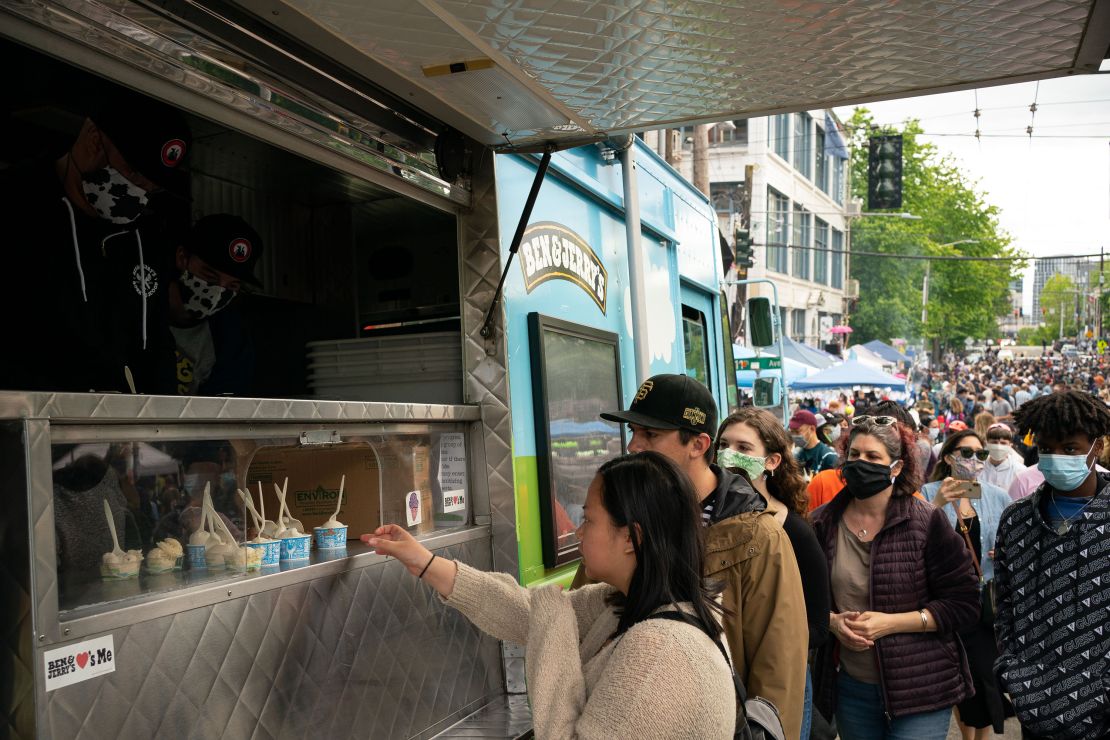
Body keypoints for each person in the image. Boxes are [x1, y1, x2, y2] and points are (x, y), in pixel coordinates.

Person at [364, 452, 737, 738]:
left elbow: (550, 618)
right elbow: (525, 610)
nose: (578, 532)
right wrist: (424, 562)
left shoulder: (661, 650)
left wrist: (554, 620)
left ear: (630, 537)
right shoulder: (624, 605)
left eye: (588, 519)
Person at [586, 373, 807, 740]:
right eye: (633, 433)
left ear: (699, 444)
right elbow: (589, 613)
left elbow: (778, 666)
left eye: (650, 435)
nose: (634, 446)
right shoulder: (621, 513)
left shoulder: (757, 535)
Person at [0, 90, 191, 393]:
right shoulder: (15, 205)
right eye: (133, 173)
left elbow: (156, 342)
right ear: (92, 138)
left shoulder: (146, 237)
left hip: (127, 433)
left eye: (151, 187)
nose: (140, 192)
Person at [811, 415, 979, 740]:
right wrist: (831, 621)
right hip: (850, 688)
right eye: (854, 455)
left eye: (873, 457)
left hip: (922, 688)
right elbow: (801, 599)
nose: (861, 464)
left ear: (896, 468)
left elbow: (964, 603)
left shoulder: (925, 522)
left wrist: (891, 623)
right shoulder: (821, 524)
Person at [995, 391, 1110, 739]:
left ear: (1098, 448)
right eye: (1047, 448)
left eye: (1071, 449)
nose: (1056, 457)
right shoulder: (1016, 520)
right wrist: (1013, 675)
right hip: (1036, 709)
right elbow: (1005, 606)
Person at [716, 408, 830, 739]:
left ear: (772, 462)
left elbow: (819, 626)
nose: (729, 455)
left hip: (777, 687)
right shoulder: (705, 520)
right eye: (723, 444)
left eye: (743, 447)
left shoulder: (793, 531)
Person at [921, 430, 1014, 739]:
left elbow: (1014, 543)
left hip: (985, 605)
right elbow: (914, 542)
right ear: (948, 457)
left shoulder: (997, 496)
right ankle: (967, 736)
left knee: (985, 680)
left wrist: (1003, 551)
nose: (975, 460)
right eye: (966, 453)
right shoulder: (926, 493)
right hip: (945, 604)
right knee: (958, 682)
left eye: (980, 454)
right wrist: (936, 504)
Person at [168, 214, 263, 395]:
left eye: (232, 286)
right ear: (182, 257)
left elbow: (225, 406)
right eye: (209, 277)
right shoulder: (142, 305)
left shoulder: (230, 334)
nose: (218, 291)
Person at [980, 423, 1026, 491]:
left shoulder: (1020, 470)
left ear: (1010, 445)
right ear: (986, 444)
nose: (998, 447)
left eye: (1003, 443)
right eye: (994, 442)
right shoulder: (978, 467)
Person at [791, 410, 838, 476]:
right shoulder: (796, 455)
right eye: (792, 432)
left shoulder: (828, 457)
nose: (794, 435)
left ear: (812, 429)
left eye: (797, 431)